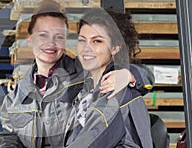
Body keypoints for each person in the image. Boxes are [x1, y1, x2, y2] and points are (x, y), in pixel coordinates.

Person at [0, 0, 154, 148]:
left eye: (58, 37)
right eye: (43, 35)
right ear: (30, 39)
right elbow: (9, 135)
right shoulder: (17, 95)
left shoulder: (87, 76)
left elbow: (143, 75)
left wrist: (128, 74)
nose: (50, 43)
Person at [64, 8, 153, 148]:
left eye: (97, 41)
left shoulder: (116, 92)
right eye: (82, 40)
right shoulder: (83, 86)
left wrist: (129, 74)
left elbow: (93, 140)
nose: (86, 48)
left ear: (115, 48)